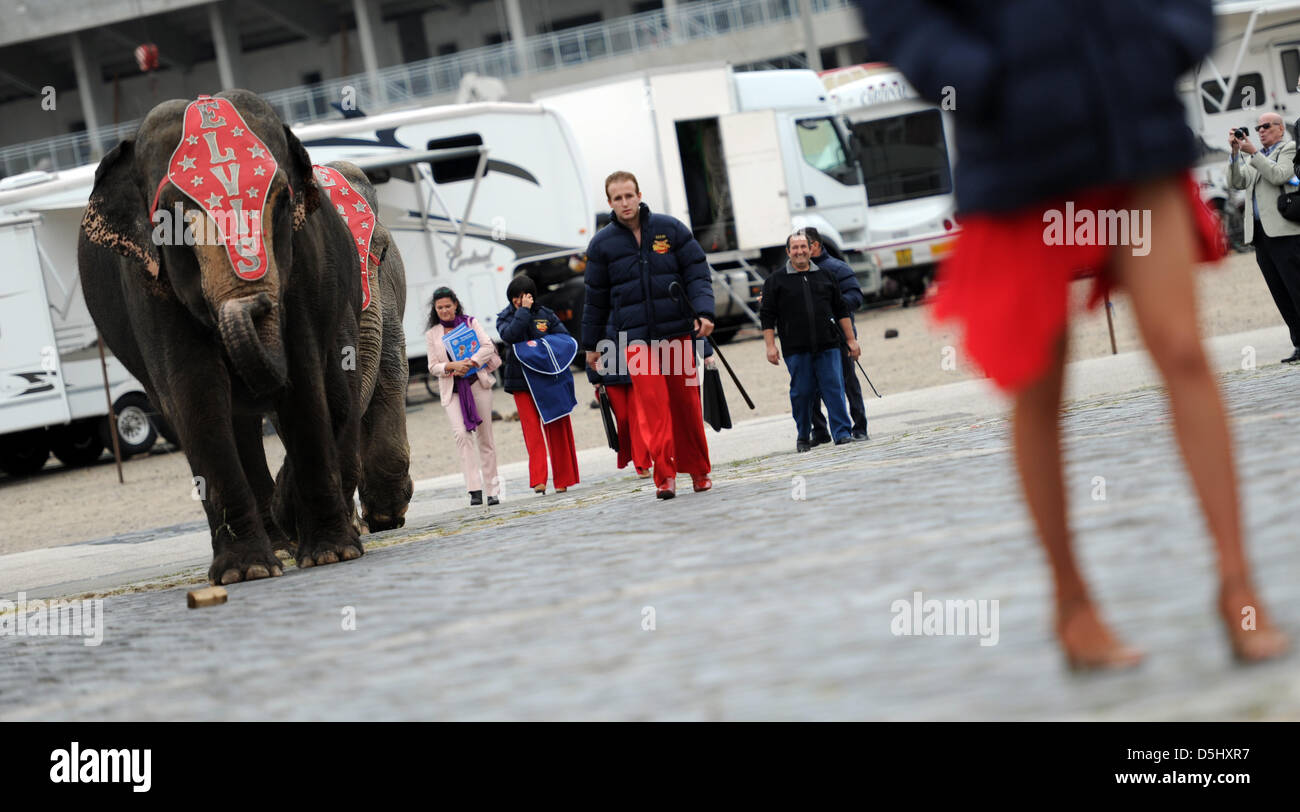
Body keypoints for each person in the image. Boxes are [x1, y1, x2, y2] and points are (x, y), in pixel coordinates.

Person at [857, 0, 1287, 668]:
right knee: (1039, 383)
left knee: (1182, 349)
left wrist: (1171, 37)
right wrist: (981, 77)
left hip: (1134, 124)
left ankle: (1239, 587)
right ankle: (1072, 602)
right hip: (1018, 148)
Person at [582, 170, 715, 500]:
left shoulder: (670, 229)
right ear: (610, 202)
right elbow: (594, 297)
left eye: (629, 195)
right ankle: (665, 476)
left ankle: (698, 470)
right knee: (653, 408)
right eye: (617, 198)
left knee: (686, 404)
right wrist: (591, 346)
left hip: (676, 334)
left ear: (639, 195)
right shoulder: (602, 245)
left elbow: (697, 271)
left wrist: (704, 311)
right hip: (636, 342)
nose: (625, 203)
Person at [761, 230, 861, 450]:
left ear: (811, 249)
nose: (799, 251)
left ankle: (842, 433)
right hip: (796, 349)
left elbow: (841, 310)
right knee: (802, 392)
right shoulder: (775, 282)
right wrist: (770, 346)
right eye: (795, 248)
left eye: (803, 247)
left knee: (834, 388)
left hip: (829, 345)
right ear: (788, 252)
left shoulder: (826, 276)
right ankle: (804, 436)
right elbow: (767, 317)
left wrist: (851, 340)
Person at [1228, 111, 1300, 364]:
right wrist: (1236, 153)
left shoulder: (1289, 148)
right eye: (1257, 128)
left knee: (1296, 288)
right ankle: (1298, 343)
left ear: (1280, 128)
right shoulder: (1254, 158)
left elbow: (1280, 175)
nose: (1260, 131)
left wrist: (1253, 153)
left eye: (1266, 126)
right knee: (1279, 292)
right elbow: (1237, 182)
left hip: (1284, 232)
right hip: (1261, 236)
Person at [497, 275, 580, 495]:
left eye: (522, 296)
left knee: (555, 427)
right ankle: (538, 479)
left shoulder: (546, 314)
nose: (518, 300)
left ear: (531, 295)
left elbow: (563, 338)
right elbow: (511, 335)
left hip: (547, 378)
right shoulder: (504, 318)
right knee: (531, 432)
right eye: (515, 297)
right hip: (521, 381)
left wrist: (539, 347)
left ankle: (563, 479)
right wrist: (522, 312)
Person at [425, 286, 502, 506]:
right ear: (435, 309)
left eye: (448, 306)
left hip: (477, 383)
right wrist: (450, 366)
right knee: (461, 435)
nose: (444, 310)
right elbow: (432, 366)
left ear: (455, 305)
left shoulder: (470, 323)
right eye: (440, 307)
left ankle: (493, 490)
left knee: (485, 438)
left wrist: (471, 362)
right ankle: (474, 489)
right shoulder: (432, 335)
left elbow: (488, 346)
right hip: (452, 390)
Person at [803, 226, 869, 441]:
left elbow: (856, 297)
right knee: (810, 385)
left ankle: (859, 427)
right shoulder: (795, 272)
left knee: (848, 381)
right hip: (809, 337)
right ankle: (820, 430)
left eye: (804, 245)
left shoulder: (837, 268)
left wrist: (830, 308)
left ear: (815, 246)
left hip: (839, 334)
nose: (799, 251)